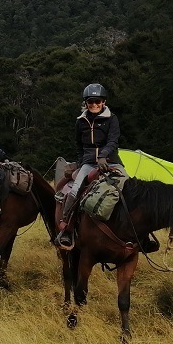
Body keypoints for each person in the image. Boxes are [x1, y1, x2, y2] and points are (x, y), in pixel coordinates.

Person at [55, 83, 127, 245]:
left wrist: (103, 156)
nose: (94, 104)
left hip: (111, 161)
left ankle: (141, 235)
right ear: (85, 103)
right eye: (90, 101)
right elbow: (79, 145)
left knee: (129, 186)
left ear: (104, 102)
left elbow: (113, 141)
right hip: (88, 163)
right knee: (74, 190)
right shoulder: (80, 121)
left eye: (97, 101)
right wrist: (81, 163)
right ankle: (66, 229)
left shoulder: (112, 119)